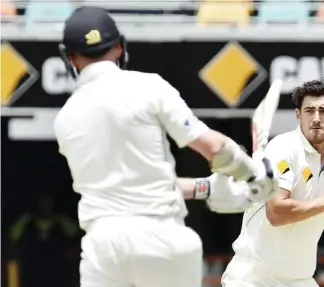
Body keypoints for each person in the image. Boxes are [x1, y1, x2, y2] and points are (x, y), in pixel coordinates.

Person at [53, 6, 278, 287]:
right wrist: (254, 176)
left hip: (102, 249)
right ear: (119, 47)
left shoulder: (65, 119)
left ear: (70, 57)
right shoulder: (148, 87)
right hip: (163, 241)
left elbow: (131, 186)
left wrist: (205, 187)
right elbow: (214, 148)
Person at [221, 78, 324, 287]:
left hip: (299, 280)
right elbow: (276, 213)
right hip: (253, 278)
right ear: (298, 115)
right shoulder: (283, 148)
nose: (316, 118)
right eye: (309, 110)